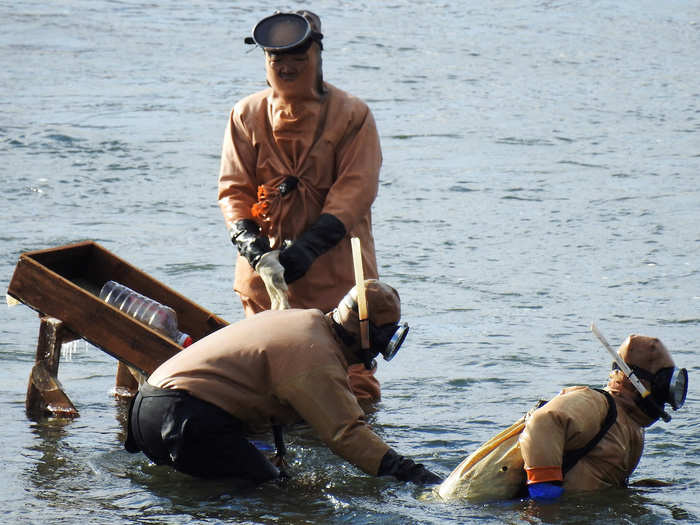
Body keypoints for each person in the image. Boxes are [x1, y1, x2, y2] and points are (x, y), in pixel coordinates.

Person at [124, 280, 442, 487]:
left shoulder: (301, 322)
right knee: (278, 497)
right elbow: (346, 433)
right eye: (384, 340)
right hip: (182, 417)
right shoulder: (317, 355)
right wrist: (413, 475)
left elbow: (256, 401)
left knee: (271, 481)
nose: (380, 352)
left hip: (147, 409)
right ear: (366, 334)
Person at [217, 10, 383, 402]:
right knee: (268, 384)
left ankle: (363, 457)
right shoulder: (246, 114)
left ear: (317, 56)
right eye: (277, 59)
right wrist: (253, 249)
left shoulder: (352, 115)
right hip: (266, 280)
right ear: (265, 61)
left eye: (298, 58)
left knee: (353, 387)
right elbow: (233, 189)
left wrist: (307, 249)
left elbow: (356, 191)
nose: (287, 67)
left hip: (338, 280)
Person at [437, 333, 688, 502]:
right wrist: (544, 500)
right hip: (480, 510)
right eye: (665, 382)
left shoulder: (629, 424)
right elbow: (544, 420)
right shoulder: (596, 403)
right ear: (638, 382)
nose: (667, 394)